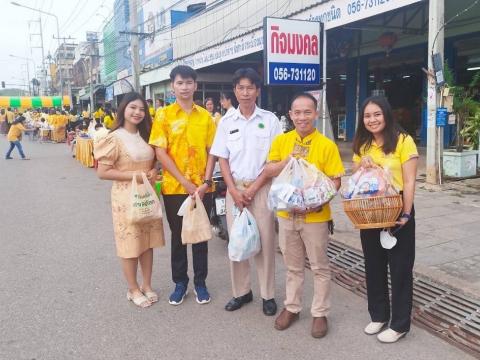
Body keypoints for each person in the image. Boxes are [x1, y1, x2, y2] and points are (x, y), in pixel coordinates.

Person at [264, 93, 344, 338]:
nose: (302, 117)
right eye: (297, 112)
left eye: (307, 112)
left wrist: (315, 202)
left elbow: (336, 181)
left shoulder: (327, 145)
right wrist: (288, 160)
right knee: (292, 266)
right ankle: (293, 307)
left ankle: (320, 313)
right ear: (290, 115)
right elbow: (269, 170)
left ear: (316, 113)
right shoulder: (282, 141)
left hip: (316, 217)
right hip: (286, 215)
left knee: (319, 266)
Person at [210, 67, 282, 316]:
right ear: (234, 91)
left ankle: (267, 295)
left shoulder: (270, 120)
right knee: (238, 242)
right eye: (240, 88)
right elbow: (222, 159)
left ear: (258, 90)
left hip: (261, 189)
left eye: (250, 87)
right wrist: (233, 189)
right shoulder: (226, 122)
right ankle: (241, 292)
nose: (245, 92)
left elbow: (275, 161)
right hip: (235, 191)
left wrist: (253, 188)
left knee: (266, 243)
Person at [352, 96, 418, 343]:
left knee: (400, 269)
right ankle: (379, 315)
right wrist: (363, 165)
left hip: (397, 207)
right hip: (369, 209)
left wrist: (406, 213)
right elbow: (357, 177)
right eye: (367, 116)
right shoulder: (363, 144)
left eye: (377, 114)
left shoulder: (403, 141)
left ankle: (400, 323)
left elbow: (410, 180)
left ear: (387, 114)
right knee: (373, 265)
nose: (372, 120)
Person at [149, 65, 216, 306]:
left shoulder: (206, 117)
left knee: (199, 235)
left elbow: (213, 152)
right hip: (175, 188)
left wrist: (206, 181)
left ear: (195, 85)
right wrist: (184, 181)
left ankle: (200, 282)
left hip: (202, 188)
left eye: (189, 82)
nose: (185, 87)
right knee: (178, 236)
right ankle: (180, 283)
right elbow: (160, 152)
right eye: (180, 83)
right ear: (172, 86)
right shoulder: (164, 115)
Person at [95, 92, 165, 308]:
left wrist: (153, 170)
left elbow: (157, 162)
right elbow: (103, 172)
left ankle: (147, 284)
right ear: (123, 109)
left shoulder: (148, 135)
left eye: (142, 109)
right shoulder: (113, 137)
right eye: (133, 108)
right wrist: (136, 176)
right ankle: (132, 288)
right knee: (130, 243)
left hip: (147, 194)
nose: (137, 112)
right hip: (125, 197)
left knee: (147, 242)